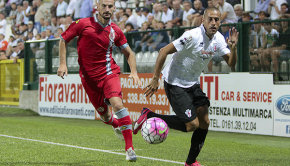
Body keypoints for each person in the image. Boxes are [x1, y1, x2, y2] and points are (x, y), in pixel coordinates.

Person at [133, 7, 238, 166]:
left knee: (204, 122)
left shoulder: (218, 39)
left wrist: (234, 48)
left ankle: (190, 162)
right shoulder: (192, 36)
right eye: (210, 19)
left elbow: (231, 64)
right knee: (192, 125)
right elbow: (163, 51)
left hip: (192, 83)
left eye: (217, 19)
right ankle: (149, 115)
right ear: (203, 20)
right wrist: (155, 78)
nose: (214, 23)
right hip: (175, 83)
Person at [57, 0, 141, 162]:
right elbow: (63, 39)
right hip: (89, 79)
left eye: (110, 6)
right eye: (104, 6)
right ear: (98, 6)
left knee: (117, 104)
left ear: (115, 8)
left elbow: (129, 53)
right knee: (105, 116)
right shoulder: (82, 23)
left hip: (109, 73)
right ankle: (117, 124)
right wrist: (62, 63)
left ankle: (129, 149)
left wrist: (134, 72)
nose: (107, 9)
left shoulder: (115, 30)